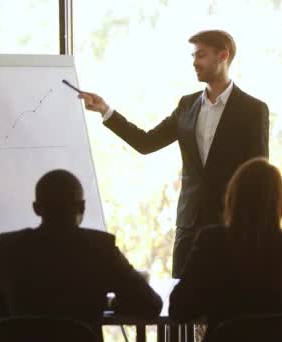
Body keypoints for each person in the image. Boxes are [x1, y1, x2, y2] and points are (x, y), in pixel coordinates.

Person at [78, 30, 269, 278]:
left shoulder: (253, 109)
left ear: (223, 55)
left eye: (201, 55)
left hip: (232, 228)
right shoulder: (186, 105)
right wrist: (106, 111)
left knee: (225, 307)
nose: (194, 62)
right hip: (188, 227)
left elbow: (260, 174)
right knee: (181, 305)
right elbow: (146, 143)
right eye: (193, 55)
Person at [0, 169, 162, 339]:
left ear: (36, 208)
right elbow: (150, 304)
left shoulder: (8, 246)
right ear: (81, 207)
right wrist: (113, 304)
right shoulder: (100, 247)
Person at [168, 157, 282, 338]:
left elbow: (179, 308)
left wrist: (212, 301)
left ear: (232, 198)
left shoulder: (211, 242)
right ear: (279, 203)